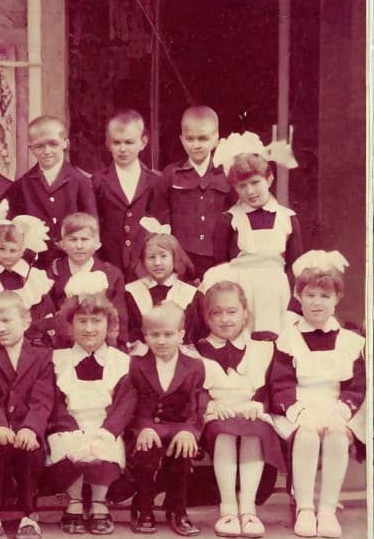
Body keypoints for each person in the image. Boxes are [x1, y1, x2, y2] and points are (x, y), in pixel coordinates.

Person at [270, 251, 365, 538]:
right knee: (308, 432)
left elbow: (355, 387)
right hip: (297, 406)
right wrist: (303, 413)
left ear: (337, 298)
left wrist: (340, 411)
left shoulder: (351, 341)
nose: (316, 302)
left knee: (336, 432)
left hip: (337, 405)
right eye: (310, 295)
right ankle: (304, 508)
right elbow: (281, 384)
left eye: (325, 296)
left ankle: (327, 507)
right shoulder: (287, 338)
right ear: (298, 297)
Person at [45, 284, 134, 536]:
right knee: (64, 444)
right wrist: (70, 429)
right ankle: (74, 499)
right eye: (82, 321)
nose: (89, 328)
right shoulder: (56, 360)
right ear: (70, 326)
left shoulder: (122, 362)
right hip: (68, 425)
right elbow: (53, 402)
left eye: (96, 320)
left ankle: (98, 500)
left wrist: (107, 431)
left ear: (109, 324)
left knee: (106, 447)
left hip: (105, 426)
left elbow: (125, 404)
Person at [196, 280, 281, 538]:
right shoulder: (196, 351)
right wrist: (210, 405)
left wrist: (259, 404)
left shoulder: (262, 348)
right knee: (225, 433)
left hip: (251, 411)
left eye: (232, 312)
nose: (225, 319)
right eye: (216, 313)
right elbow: (193, 389)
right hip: (216, 415)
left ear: (245, 313)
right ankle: (228, 509)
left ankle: (248, 509)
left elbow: (273, 385)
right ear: (207, 318)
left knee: (253, 432)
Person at [0, 291, 54, 539]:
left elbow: (43, 398)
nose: (1, 327)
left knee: (32, 452)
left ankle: (30, 513)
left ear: (26, 321)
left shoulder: (42, 356)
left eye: (7, 321)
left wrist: (31, 428)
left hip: (27, 428)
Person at [125, 301, 206, 537]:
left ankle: (177, 508)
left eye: (168, 334)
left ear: (181, 335)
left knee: (183, 449)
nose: (161, 341)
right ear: (145, 336)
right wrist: (143, 428)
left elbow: (196, 407)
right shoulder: (136, 365)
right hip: (148, 428)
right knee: (147, 450)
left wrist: (189, 430)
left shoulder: (195, 367)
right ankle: (144, 506)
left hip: (180, 427)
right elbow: (134, 406)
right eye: (154, 335)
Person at [211, 141, 303, 338]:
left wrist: (293, 305)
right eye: (242, 186)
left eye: (255, 182)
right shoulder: (228, 219)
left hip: (278, 292)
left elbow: (295, 267)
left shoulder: (287, 218)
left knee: (278, 342)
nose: (250, 191)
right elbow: (221, 267)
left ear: (269, 179)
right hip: (241, 293)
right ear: (235, 187)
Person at [0, 115, 95, 269]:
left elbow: (92, 226)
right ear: (30, 148)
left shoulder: (81, 182)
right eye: (39, 146)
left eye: (53, 144)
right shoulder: (21, 185)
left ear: (65, 143)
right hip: (36, 266)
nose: (46, 151)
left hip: (74, 263)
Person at [150, 105, 234, 279]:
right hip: (180, 260)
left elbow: (236, 220)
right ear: (181, 139)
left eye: (203, 139)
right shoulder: (171, 174)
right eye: (190, 139)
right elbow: (160, 218)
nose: (196, 145)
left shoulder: (226, 175)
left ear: (216, 138)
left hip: (218, 261)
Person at [92, 110, 162, 279]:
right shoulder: (98, 182)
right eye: (117, 142)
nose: (123, 149)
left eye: (129, 142)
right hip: (108, 265)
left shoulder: (154, 181)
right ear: (108, 144)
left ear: (143, 142)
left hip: (144, 268)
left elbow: (160, 223)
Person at [0, 219, 54, 347]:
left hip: (33, 338)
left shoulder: (32, 276)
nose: (7, 255)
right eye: (2, 249)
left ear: (21, 251)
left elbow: (44, 309)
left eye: (13, 250)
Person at [47, 213, 128, 346]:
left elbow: (120, 318)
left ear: (97, 244)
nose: (79, 246)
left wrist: (117, 346)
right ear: (62, 244)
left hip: (103, 344)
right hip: (64, 346)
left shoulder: (111, 274)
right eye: (73, 239)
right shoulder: (53, 273)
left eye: (85, 239)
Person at [124, 226, 204, 353]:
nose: (157, 263)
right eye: (151, 257)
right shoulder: (131, 293)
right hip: (142, 357)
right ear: (143, 261)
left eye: (163, 256)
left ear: (174, 258)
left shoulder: (192, 295)